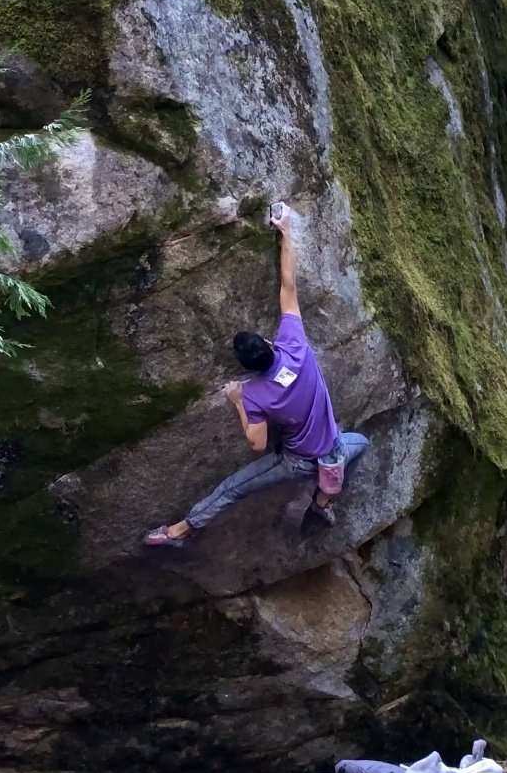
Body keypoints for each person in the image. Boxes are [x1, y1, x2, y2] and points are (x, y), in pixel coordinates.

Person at [144, 204, 369, 548]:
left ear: (247, 368)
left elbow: (257, 444)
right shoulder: (294, 346)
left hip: (298, 463)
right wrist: (286, 232)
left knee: (233, 487)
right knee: (362, 444)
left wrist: (236, 402)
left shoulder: (255, 394)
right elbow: (288, 286)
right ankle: (324, 501)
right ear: (268, 342)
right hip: (334, 448)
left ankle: (179, 531)